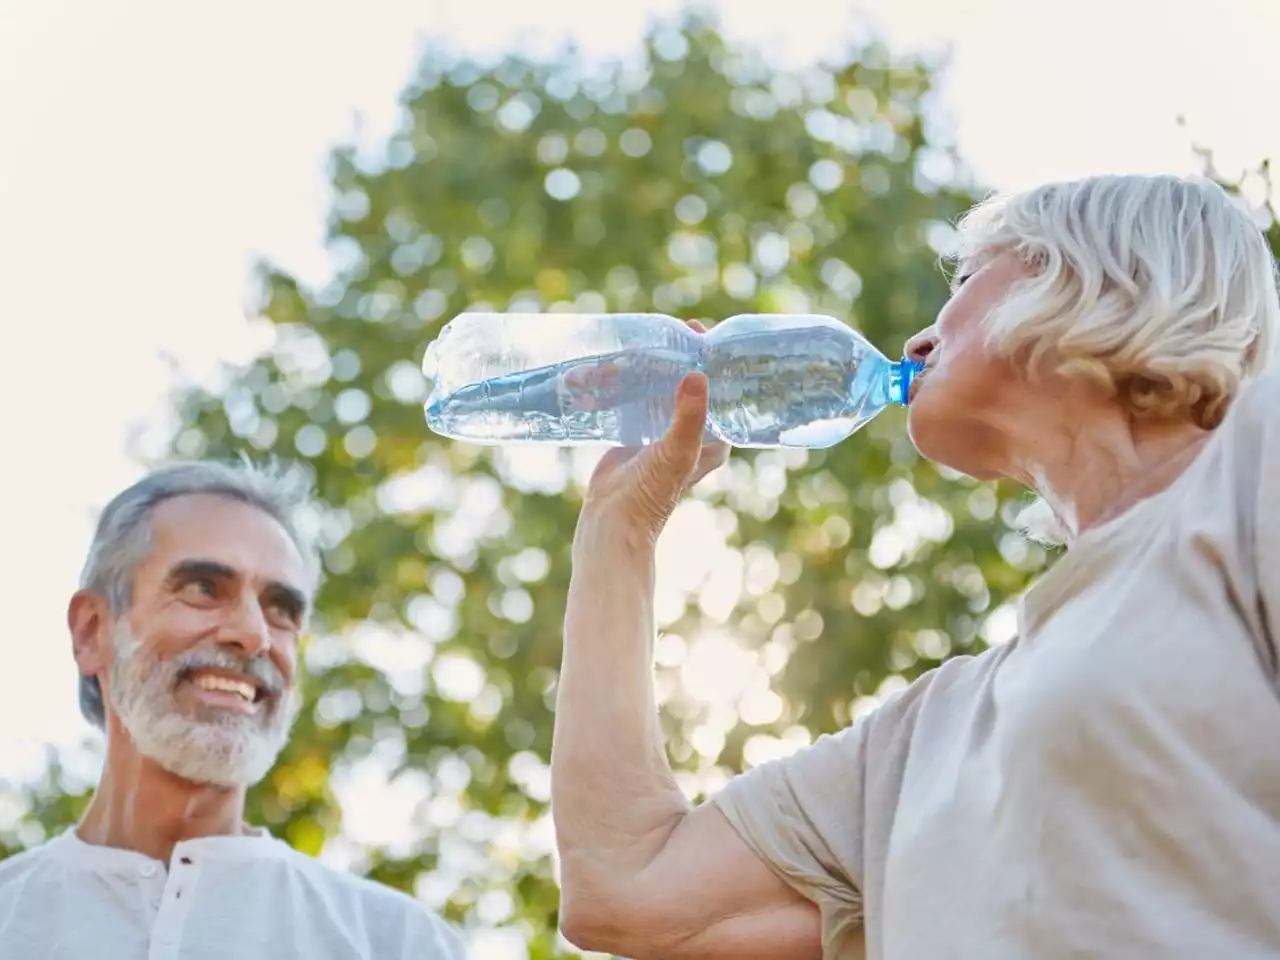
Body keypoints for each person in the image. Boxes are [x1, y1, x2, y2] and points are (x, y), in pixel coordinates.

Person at [551, 174, 1280, 959]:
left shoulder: (1253, 474)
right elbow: (624, 887)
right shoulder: (926, 736)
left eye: (964, 282)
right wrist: (619, 528)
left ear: (1094, 273)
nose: (914, 343)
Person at [0, 463, 464, 959]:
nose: (254, 634)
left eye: (281, 608)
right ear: (93, 631)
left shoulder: (397, 943)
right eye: (203, 588)